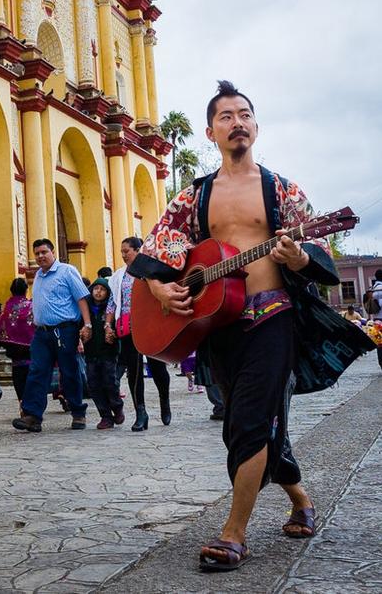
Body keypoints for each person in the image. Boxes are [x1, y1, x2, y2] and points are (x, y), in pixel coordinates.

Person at [129, 80, 374, 572]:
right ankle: (300, 498)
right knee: (249, 427)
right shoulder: (194, 197)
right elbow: (156, 251)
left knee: (252, 422)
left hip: (273, 318)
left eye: (244, 114)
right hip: (217, 326)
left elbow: (318, 257)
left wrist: (300, 256)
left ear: (256, 127)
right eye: (226, 116)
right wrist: (159, 288)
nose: (236, 122)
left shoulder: (279, 189)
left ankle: (233, 533)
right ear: (210, 131)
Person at [12, 238, 92, 432]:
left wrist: (87, 324)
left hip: (64, 330)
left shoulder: (67, 271)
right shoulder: (38, 275)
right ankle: (33, 416)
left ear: (52, 252)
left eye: (43, 252)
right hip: (42, 333)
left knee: (69, 371)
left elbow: (81, 297)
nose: (40, 256)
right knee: (37, 371)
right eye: (37, 253)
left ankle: (78, 413)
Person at [108, 236, 172, 430]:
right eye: (121, 252)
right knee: (134, 371)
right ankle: (140, 413)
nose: (123, 255)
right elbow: (113, 302)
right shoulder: (120, 276)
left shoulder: (151, 271)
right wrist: (108, 325)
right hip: (129, 327)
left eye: (126, 251)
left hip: (151, 325)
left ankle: (164, 401)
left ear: (138, 250)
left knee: (158, 367)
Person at [84, 278, 124, 429]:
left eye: (102, 289)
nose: (98, 292)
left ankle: (117, 406)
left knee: (110, 382)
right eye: (96, 288)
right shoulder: (86, 309)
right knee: (93, 385)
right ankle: (105, 416)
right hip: (91, 353)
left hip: (108, 352)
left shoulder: (111, 310)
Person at [0, 278, 35, 405]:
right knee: (31, 380)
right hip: (31, 352)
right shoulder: (31, 307)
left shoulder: (7, 310)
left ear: (11, 291)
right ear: (26, 290)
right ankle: (30, 404)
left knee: (18, 378)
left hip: (15, 355)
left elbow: (0, 329)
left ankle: (22, 403)